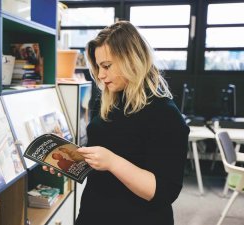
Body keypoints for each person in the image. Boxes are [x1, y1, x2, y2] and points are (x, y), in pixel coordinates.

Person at [44, 21, 189, 225]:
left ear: (132, 60)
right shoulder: (108, 100)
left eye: (107, 66)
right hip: (94, 212)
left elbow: (164, 192)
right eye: (98, 67)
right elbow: (103, 151)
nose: (101, 75)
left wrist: (113, 162)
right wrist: (70, 160)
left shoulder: (165, 114)